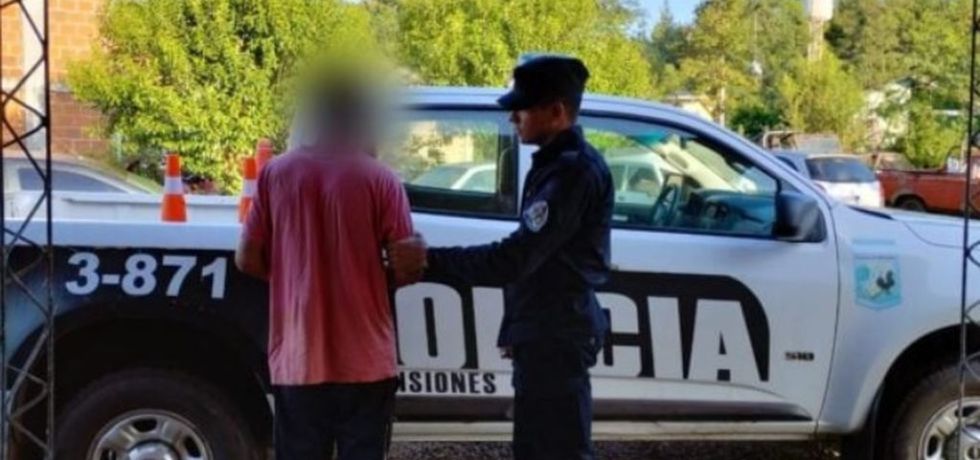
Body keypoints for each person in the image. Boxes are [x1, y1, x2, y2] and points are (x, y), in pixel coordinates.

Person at [390, 55, 614, 460]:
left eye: (522, 109)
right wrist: (516, 328)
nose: (513, 118)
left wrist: (429, 261)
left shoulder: (572, 173)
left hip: (557, 334)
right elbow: (538, 264)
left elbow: (516, 258)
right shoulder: (553, 165)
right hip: (545, 329)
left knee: (558, 450)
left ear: (556, 112)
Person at [234, 75, 419, 460]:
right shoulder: (381, 179)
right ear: (363, 118)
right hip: (366, 361)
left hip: (298, 359)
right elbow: (407, 265)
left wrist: (295, 278)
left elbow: (246, 258)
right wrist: (371, 278)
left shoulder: (276, 174)